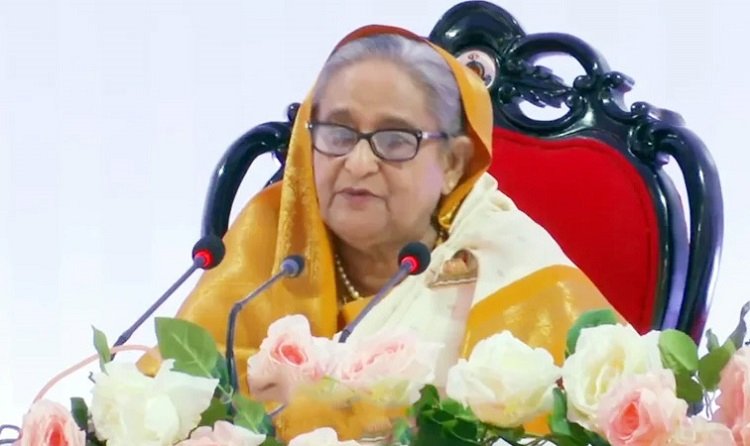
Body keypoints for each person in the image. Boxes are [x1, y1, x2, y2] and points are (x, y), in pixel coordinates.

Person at [139, 24, 616, 440]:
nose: (358, 163)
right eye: (338, 134)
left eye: (394, 139)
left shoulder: (511, 266)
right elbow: (165, 397)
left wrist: (321, 409)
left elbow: (604, 414)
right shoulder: (267, 241)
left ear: (452, 164)